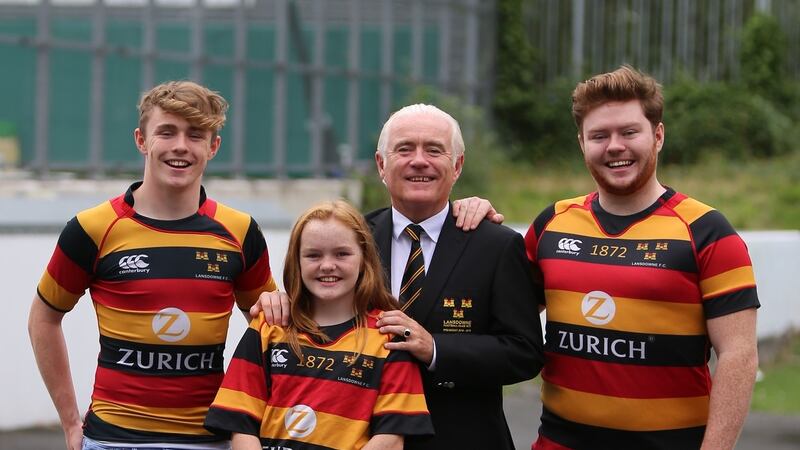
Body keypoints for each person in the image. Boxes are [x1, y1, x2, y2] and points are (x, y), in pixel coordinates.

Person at [257, 103, 546, 449]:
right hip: (358, 439)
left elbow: (524, 352)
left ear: (457, 166)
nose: (419, 160)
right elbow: (308, 312)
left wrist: (436, 348)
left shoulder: (496, 245)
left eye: (434, 150)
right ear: (381, 165)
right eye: (404, 149)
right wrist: (278, 299)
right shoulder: (351, 238)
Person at [28, 80, 277, 449]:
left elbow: (270, 332)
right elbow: (43, 319)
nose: (180, 146)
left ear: (213, 147)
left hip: (209, 439)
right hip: (112, 441)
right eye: (167, 132)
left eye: (195, 135)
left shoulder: (240, 231)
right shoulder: (93, 228)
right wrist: (69, 421)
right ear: (141, 141)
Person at [524, 65, 760, 450]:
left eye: (629, 132)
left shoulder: (707, 231)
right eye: (599, 135)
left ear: (658, 136)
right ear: (582, 143)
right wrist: (467, 217)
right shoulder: (552, 223)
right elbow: (502, 314)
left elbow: (739, 356)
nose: (614, 146)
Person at [204, 200, 434, 449]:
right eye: (313, 255)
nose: (327, 265)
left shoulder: (389, 338)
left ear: (364, 259)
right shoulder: (268, 327)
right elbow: (241, 427)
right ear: (297, 261)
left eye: (342, 254)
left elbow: (390, 439)